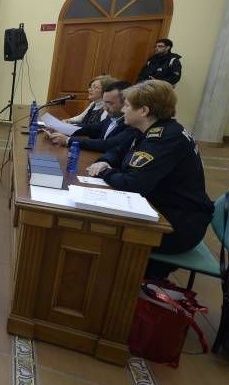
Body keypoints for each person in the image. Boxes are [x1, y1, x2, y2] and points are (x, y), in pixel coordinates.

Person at [86, 80, 213, 277]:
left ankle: (119, 287)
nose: (123, 110)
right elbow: (117, 151)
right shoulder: (148, 128)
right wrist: (104, 161)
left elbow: (133, 184)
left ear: (143, 110)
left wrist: (104, 172)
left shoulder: (165, 138)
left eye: (127, 105)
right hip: (160, 207)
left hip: (178, 224)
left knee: (102, 233)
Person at [47, 81, 138, 152]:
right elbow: (90, 128)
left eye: (109, 103)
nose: (104, 107)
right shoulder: (111, 117)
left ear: (125, 103)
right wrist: (61, 127)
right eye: (104, 102)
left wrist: (68, 140)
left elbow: (107, 144)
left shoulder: (131, 124)